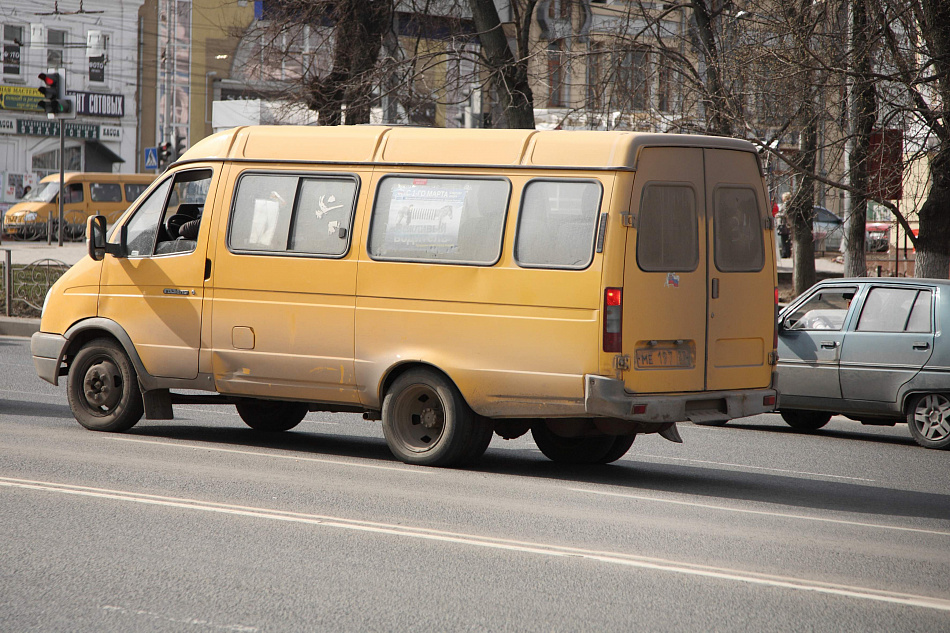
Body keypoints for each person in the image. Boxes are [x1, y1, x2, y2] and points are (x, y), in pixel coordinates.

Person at [776, 192, 791, 258]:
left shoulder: (786, 204)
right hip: (786, 224)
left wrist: (777, 215)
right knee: (786, 239)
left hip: (784, 224)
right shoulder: (789, 204)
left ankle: (785, 253)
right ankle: (787, 253)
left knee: (784, 240)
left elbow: (784, 214)